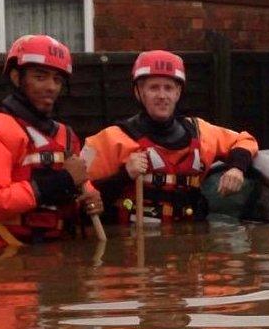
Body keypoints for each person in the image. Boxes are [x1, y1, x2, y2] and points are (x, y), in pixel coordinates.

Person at [0, 34, 103, 248]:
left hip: (55, 253)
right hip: (3, 256)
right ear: (16, 78)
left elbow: (78, 181)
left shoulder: (66, 136)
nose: (51, 87)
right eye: (40, 77)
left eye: (57, 79)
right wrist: (63, 180)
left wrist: (92, 199)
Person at [82, 50, 258, 224]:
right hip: (133, 244)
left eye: (168, 88)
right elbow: (81, 197)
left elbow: (245, 140)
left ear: (178, 92)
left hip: (190, 242)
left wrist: (237, 168)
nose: (162, 96)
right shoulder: (110, 139)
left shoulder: (202, 133)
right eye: (153, 88)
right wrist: (125, 175)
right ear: (139, 92)